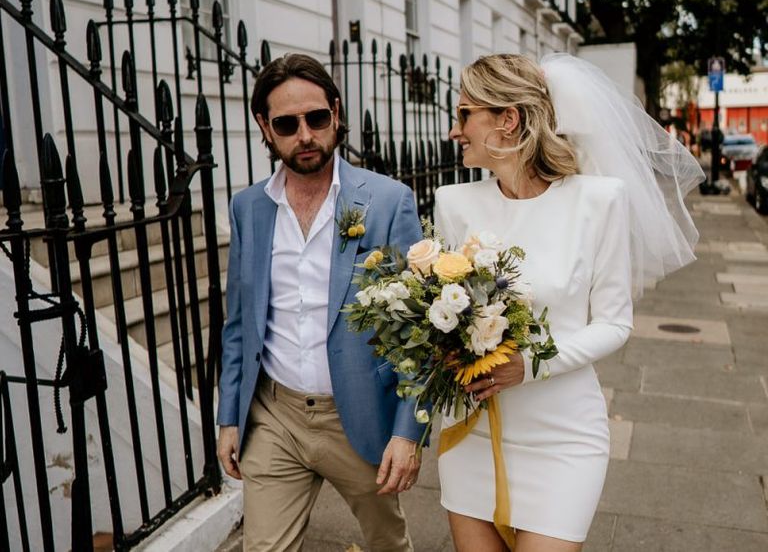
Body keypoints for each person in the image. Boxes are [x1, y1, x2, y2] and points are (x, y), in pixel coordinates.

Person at [434, 53, 704, 552]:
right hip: (472, 431)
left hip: (563, 438)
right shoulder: (452, 203)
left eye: (465, 113)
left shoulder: (599, 201)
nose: (456, 130)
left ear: (507, 120)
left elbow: (614, 324)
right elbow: (448, 314)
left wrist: (527, 367)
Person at [216, 53, 425, 551]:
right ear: (265, 128)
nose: (305, 135)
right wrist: (229, 418)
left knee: (387, 543)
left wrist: (408, 432)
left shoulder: (387, 201)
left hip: (358, 416)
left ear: (336, 111)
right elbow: (240, 324)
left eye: (316, 118)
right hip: (275, 416)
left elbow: (419, 332)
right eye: (287, 124)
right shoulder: (249, 207)